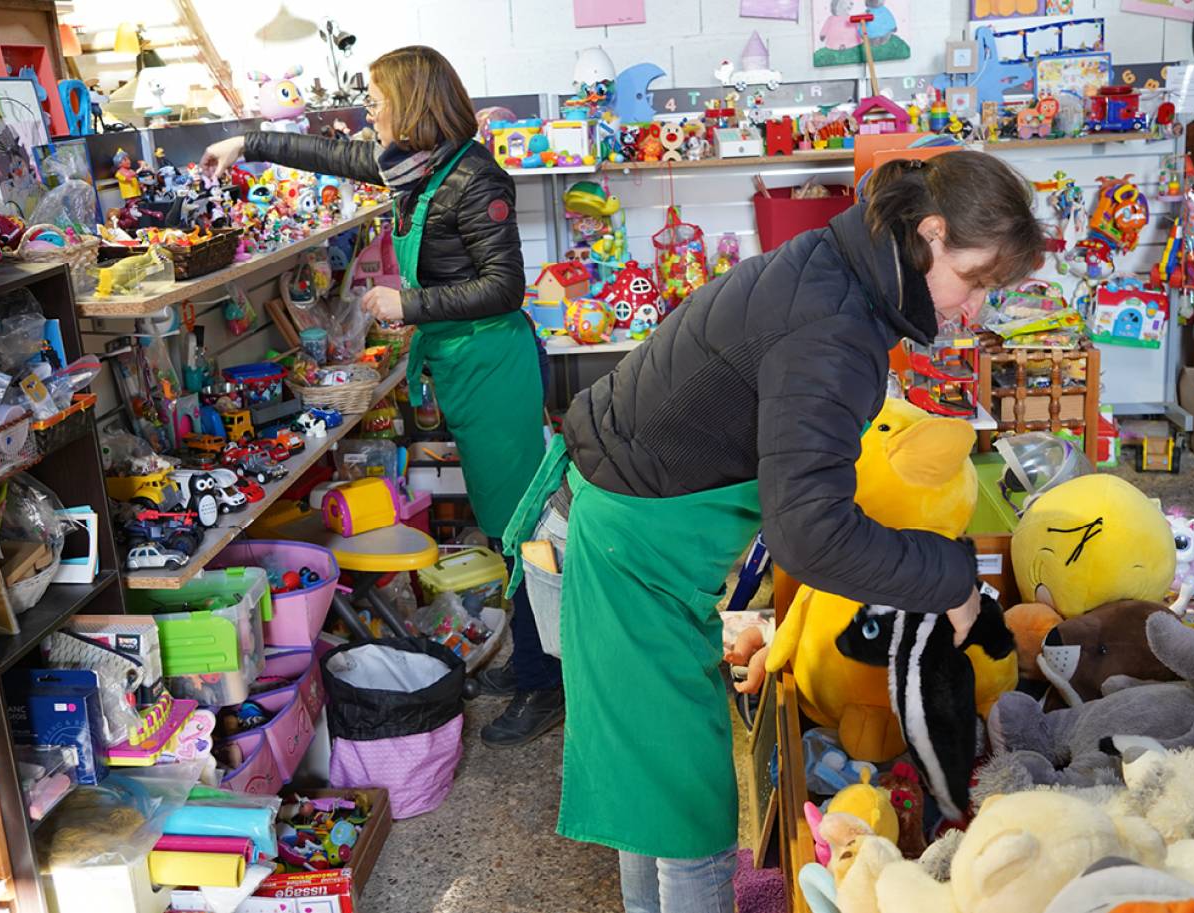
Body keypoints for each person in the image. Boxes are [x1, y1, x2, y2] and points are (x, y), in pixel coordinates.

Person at [502, 151, 1046, 913]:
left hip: (624, 518)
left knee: (649, 783)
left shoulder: (841, 260)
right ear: (931, 233)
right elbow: (811, 534)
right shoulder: (834, 327)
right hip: (630, 549)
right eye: (978, 281)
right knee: (687, 806)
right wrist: (952, 575)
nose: (974, 309)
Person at [203, 46, 563, 747]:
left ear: (413, 101)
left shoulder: (475, 177)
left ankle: (544, 681)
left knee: (519, 528)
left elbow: (505, 286)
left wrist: (409, 302)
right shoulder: (412, 165)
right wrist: (243, 142)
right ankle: (530, 661)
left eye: (376, 97)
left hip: (495, 362)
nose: (368, 110)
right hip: (459, 360)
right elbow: (325, 154)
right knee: (501, 522)